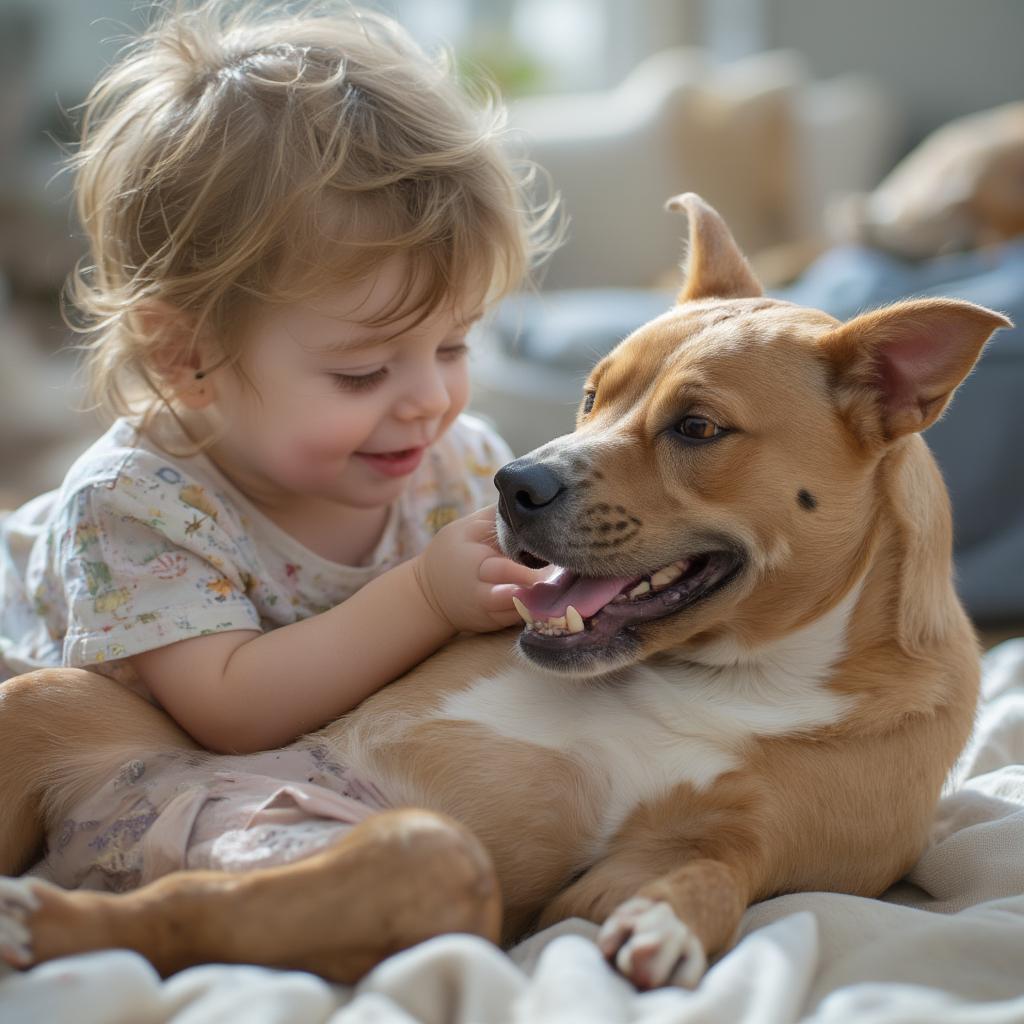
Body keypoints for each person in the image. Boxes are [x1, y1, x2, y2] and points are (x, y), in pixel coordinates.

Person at [0, 0, 559, 756]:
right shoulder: (136, 504)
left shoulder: (456, 464)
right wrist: (425, 596)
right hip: (109, 734)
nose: (431, 401)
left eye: (455, 347)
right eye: (362, 373)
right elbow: (230, 713)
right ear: (185, 356)